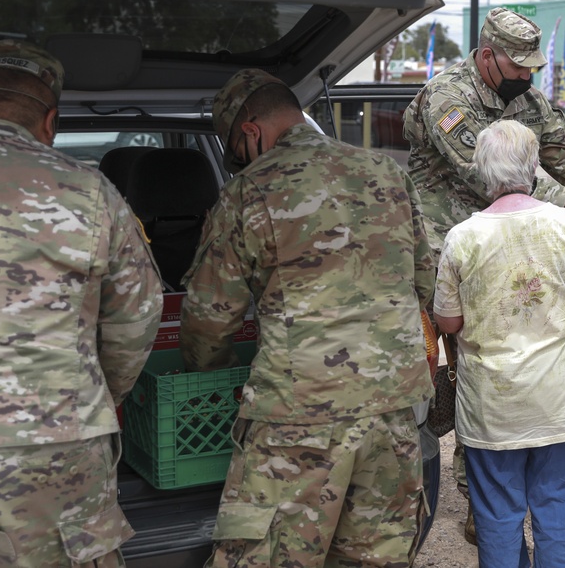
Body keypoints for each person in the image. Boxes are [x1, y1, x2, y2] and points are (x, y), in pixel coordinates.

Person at [403, 5, 565, 538]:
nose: (529, 75)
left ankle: (503, 489)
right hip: (453, 254)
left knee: (516, 366)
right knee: (469, 370)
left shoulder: (526, 97)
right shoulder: (449, 98)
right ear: (487, 56)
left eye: (533, 66)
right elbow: (488, 173)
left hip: (513, 251)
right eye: (519, 65)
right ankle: (481, 503)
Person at [0, 40, 164, 566]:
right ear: (51, 121)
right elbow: (137, 318)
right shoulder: (90, 191)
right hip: (53, 446)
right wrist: (97, 399)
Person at [179, 68, 435, 568]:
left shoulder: (249, 192)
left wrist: (208, 379)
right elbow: (424, 282)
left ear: (250, 133)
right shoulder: (388, 174)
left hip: (298, 423)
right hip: (393, 416)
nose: (236, 166)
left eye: (234, 154)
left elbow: (211, 321)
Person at [431, 119, 565, 568]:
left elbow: (449, 322)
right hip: (563, 399)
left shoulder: (462, 237)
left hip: (493, 406)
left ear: (481, 172)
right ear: (534, 168)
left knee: (497, 514)